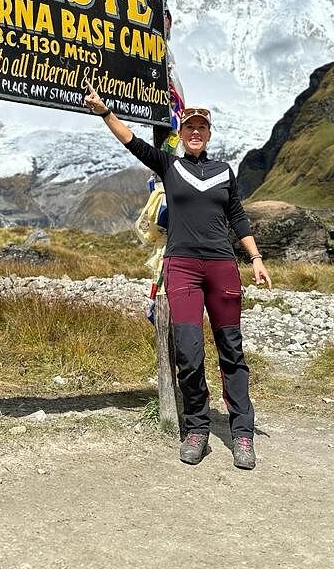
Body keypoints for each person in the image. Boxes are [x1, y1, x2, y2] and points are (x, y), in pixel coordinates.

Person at [83, 81, 272, 469]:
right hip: (182, 266)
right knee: (188, 352)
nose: (196, 132)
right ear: (182, 134)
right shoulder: (170, 166)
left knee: (231, 352)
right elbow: (132, 141)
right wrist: (104, 111)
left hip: (222, 266)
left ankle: (242, 434)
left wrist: (255, 257)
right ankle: (198, 428)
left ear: (209, 133)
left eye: (202, 127)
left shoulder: (224, 172)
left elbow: (237, 215)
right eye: (190, 127)